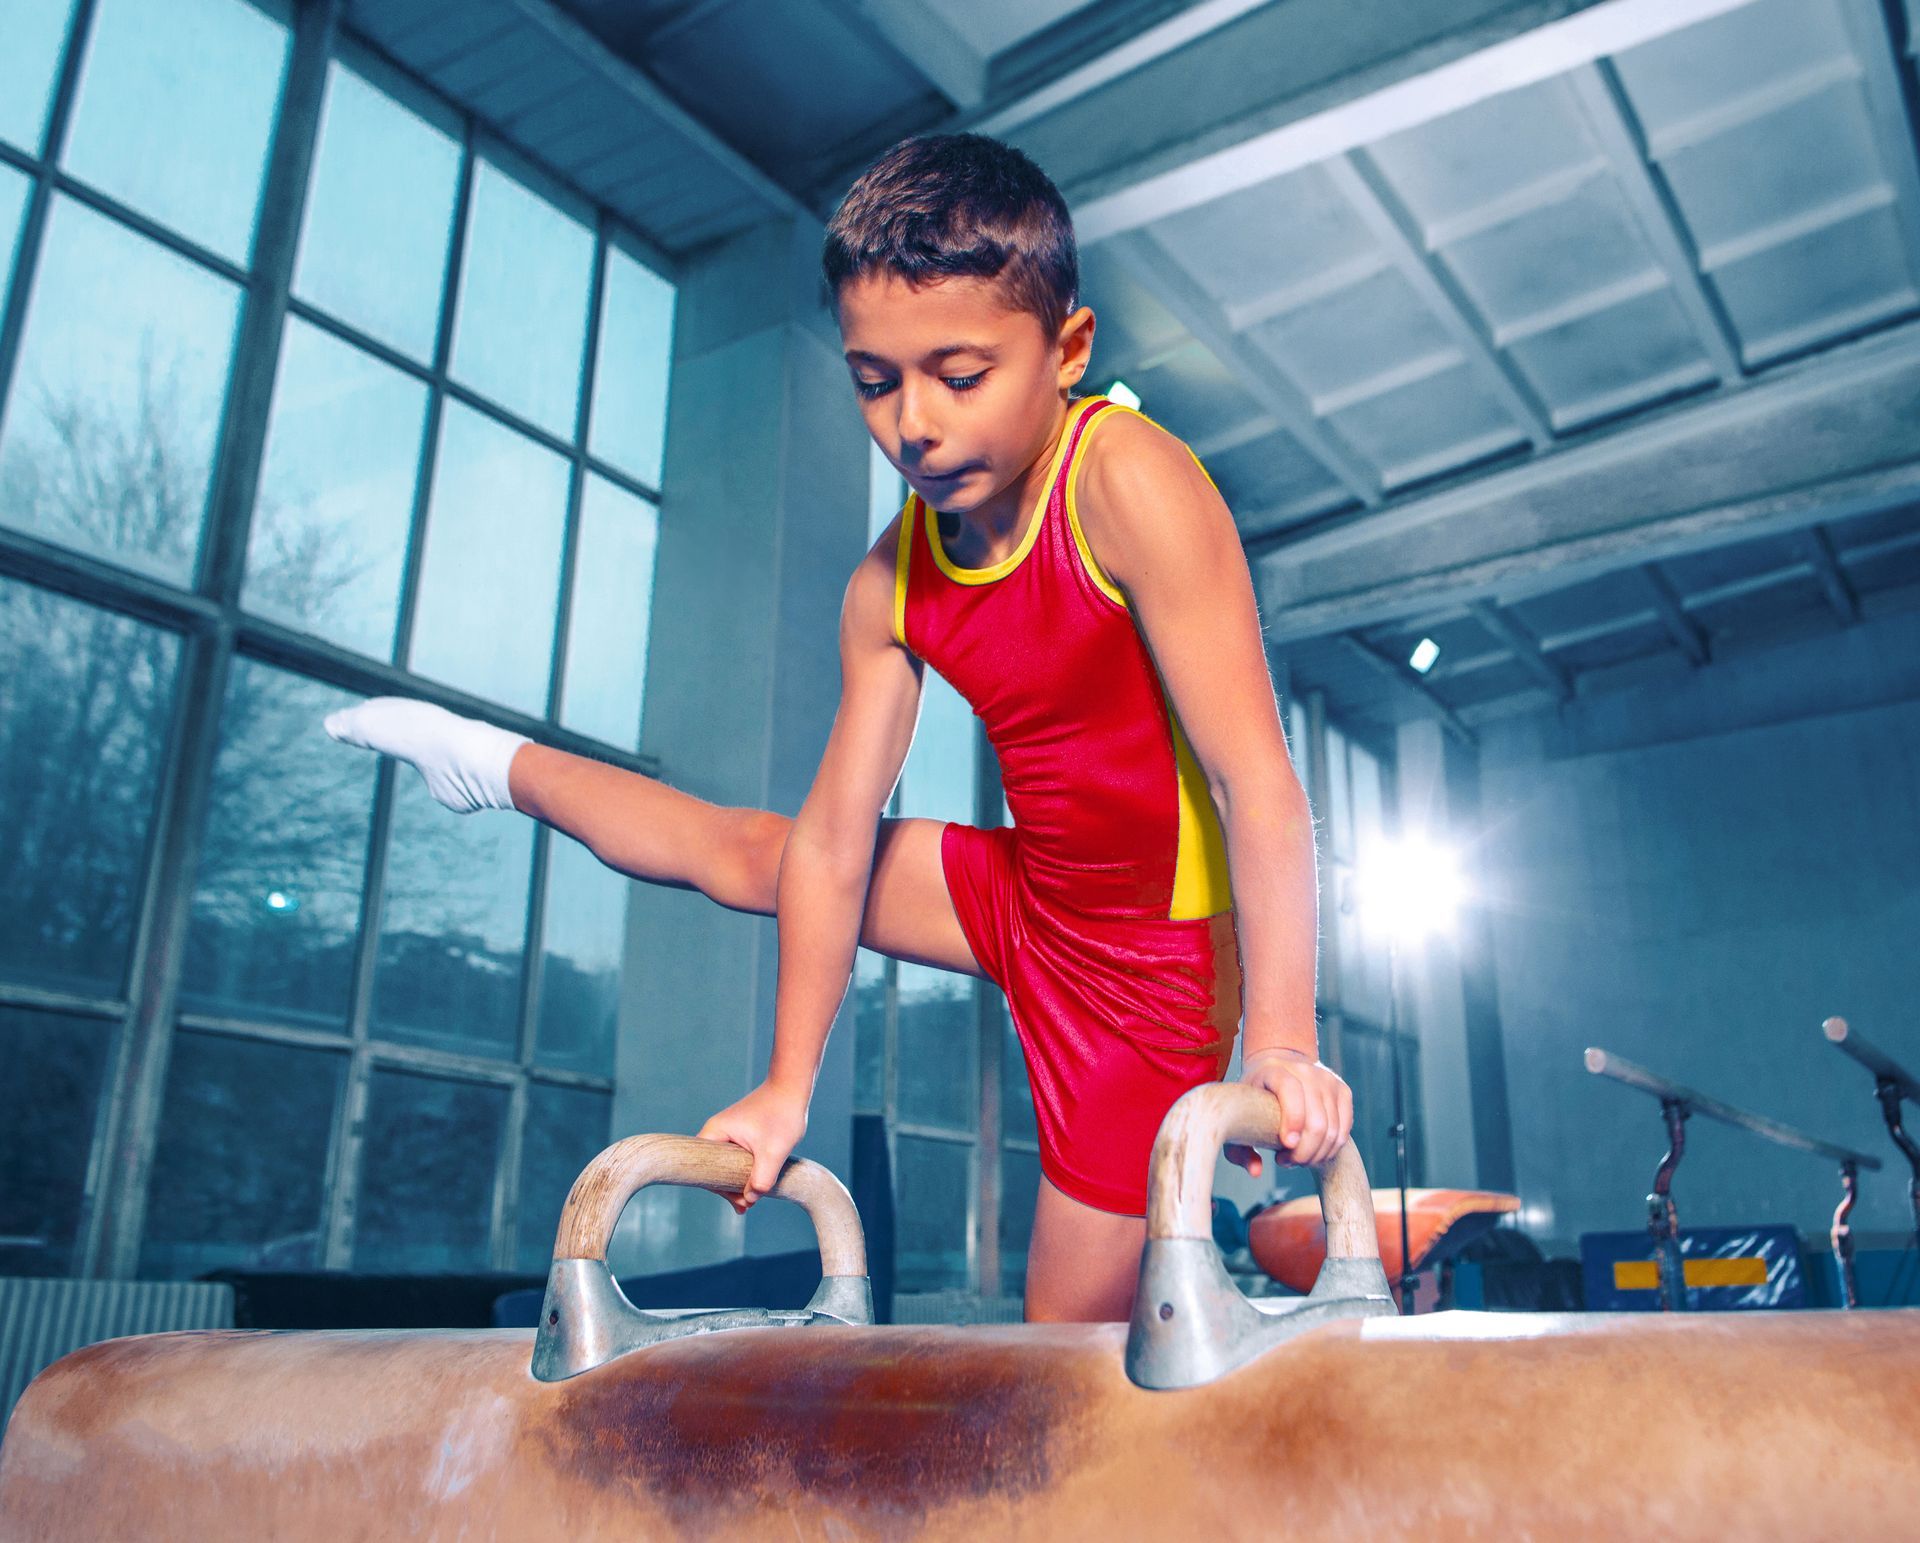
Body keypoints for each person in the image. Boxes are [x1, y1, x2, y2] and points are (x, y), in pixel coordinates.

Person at [325, 131, 1351, 1323]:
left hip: (1158, 964)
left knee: (1065, 1346)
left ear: (1067, 349)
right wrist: (783, 1087)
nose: (912, 424)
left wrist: (1276, 1039)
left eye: (959, 376)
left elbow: (1253, 781)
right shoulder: (889, 585)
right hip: (1034, 897)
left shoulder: (1131, 486)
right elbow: (832, 845)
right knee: (759, 851)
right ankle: (495, 764)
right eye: (875, 380)